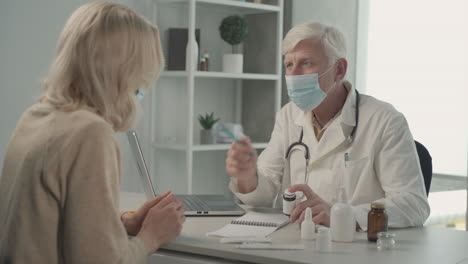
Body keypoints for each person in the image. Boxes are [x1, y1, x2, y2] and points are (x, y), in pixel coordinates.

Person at [0, 2, 185, 263]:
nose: (140, 91)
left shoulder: (35, 116)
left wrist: (123, 223)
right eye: (141, 80)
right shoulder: (91, 133)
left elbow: (46, 226)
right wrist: (151, 237)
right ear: (123, 74)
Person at [226, 22, 429, 230]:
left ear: (339, 70)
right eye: (289, 65)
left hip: (354, 249)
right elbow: (265, 190)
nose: (294, 75)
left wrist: (343, 216)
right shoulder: (288, 115)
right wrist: (248, 177)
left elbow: (413, 205)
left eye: (306, 63)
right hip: (294, 243)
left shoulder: (385, 120)